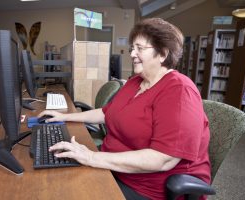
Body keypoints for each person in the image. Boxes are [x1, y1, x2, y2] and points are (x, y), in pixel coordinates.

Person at [38, 18, 211, 200]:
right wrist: (65, 117)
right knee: (56, 180)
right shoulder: (135, 82)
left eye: (140, 48)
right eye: (132, 48)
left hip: (150, 188)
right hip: (114, 168)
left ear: (163, 54)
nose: (132, 54)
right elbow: (107, 113)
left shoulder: (179, 90)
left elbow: (163, 159)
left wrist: (91, 158)